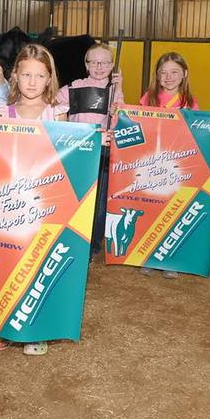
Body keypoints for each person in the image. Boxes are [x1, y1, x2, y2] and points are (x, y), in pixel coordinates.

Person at [0, 44, 66, 356]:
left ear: (49, 79)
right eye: (26, 74)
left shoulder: (58, 113)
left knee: (41, 264)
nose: (33, 81)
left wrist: (98, 139)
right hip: (8, 201)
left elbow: (71, 154)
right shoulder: (2, 112)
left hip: (45, 200)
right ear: (15, 76)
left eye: (40, 75)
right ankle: (3, 325)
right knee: (7, 260)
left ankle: (37, 327)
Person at [138, 52, 210, 278]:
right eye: (163, 73)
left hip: (178, 167)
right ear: (157, 76)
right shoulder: (147, 99)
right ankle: (147, 256)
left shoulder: (190, 102)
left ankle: (169, 259)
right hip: (152, 164)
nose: (168, 77)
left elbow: (199, 129)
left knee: (173, 210)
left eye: (174, 72)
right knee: (150, 209)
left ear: (184, 74)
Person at [56, 43, 124, 258]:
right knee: (76, 197)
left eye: (104, 62)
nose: (99, 66)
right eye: (94, 62)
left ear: (112, 65)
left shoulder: (114, 91)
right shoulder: (74, 87)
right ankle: (73, 237)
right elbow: (54, 103)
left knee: (100, 201)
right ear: (86, 65)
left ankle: (93, 244)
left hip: (103, 151)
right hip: (79, 151)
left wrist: (119, 90)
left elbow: (120, 119)